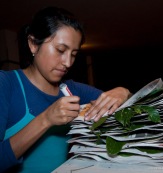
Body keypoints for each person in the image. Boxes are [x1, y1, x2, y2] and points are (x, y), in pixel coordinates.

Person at [0, 6, 131, 173]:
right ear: (33, 44)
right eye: (60, 50)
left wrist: (123, 92)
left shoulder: (71, 89)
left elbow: (133, 105)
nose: (68, 62)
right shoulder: (6, 84)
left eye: (74, 54)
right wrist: (46, 119)